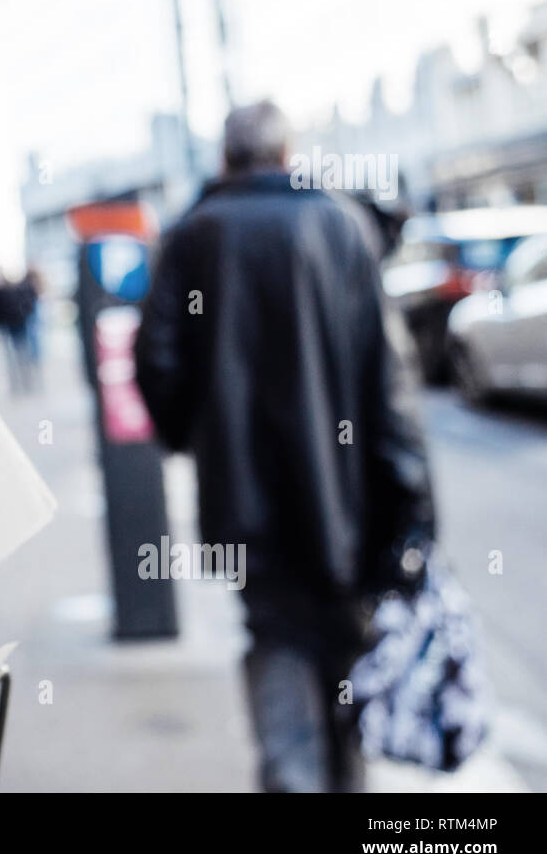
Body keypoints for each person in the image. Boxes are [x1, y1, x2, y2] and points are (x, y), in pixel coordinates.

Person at [133, 100, 436, 793]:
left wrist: (196, 434)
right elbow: (391, 389)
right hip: (348, 512)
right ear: (288, 157)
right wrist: (412, 509)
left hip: (248, 512)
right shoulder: (341, 226)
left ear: (225, 160)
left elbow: (156, 362)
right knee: (347, 680)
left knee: (278, 657)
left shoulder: (193, 236)